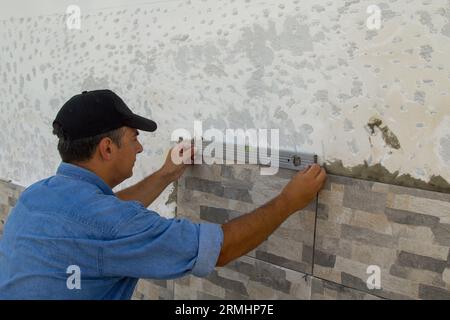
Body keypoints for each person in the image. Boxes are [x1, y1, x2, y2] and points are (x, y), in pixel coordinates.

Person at [0, 90, 326, 299]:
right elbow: (219, 249)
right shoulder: (110, 225)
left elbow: (99, 221)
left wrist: (166, 174)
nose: (140, 147)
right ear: (107, 148)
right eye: (134, 138)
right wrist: (288, 201)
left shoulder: (37, 198)